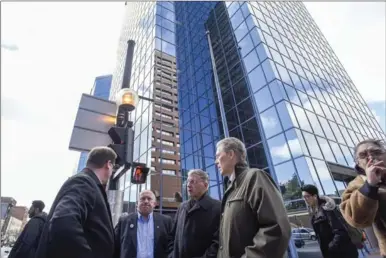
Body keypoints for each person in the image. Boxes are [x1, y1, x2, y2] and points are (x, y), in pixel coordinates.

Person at [35, 146, 117, 258]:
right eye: (113, 167)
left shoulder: (87, 182)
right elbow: (63, 221)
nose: (112, 172)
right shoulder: (84, 182)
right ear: (108, 164)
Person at [216, 137, 291, 258]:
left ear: (230, 154)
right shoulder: (231, 188)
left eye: (218, 155)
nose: (216, 161)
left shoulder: (255, 177)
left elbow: (276, 229)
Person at [340, 139, 386, 257]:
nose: (370, 156)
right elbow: (356, 219)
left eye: (376, 152)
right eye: (363, 155)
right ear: (358, 163)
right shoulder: (356, 184)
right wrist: (370, 186)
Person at [170, 169, 221, 258]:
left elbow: (218, 241)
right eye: (188, 181)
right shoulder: (182, 207)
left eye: (193, 182)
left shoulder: (218, 207)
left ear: (205, 185)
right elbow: (172, 235)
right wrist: (171, 254)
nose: (188, 185)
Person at [301, 184, 358, 258]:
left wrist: (330, 247)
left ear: (315, 196)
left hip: (342, 253)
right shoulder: (314, 213)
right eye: (304, 197)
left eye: (307, 196)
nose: (305, 199)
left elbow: (340, 232)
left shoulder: (327, 209)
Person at [114, 190, 173, 258]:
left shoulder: (166, 221)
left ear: (155, 204)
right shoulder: (124, 221)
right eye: (142, 199)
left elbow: (171, 245)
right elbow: (116, 246)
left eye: (149, 199)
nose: (146, 201)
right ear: (137, 203)